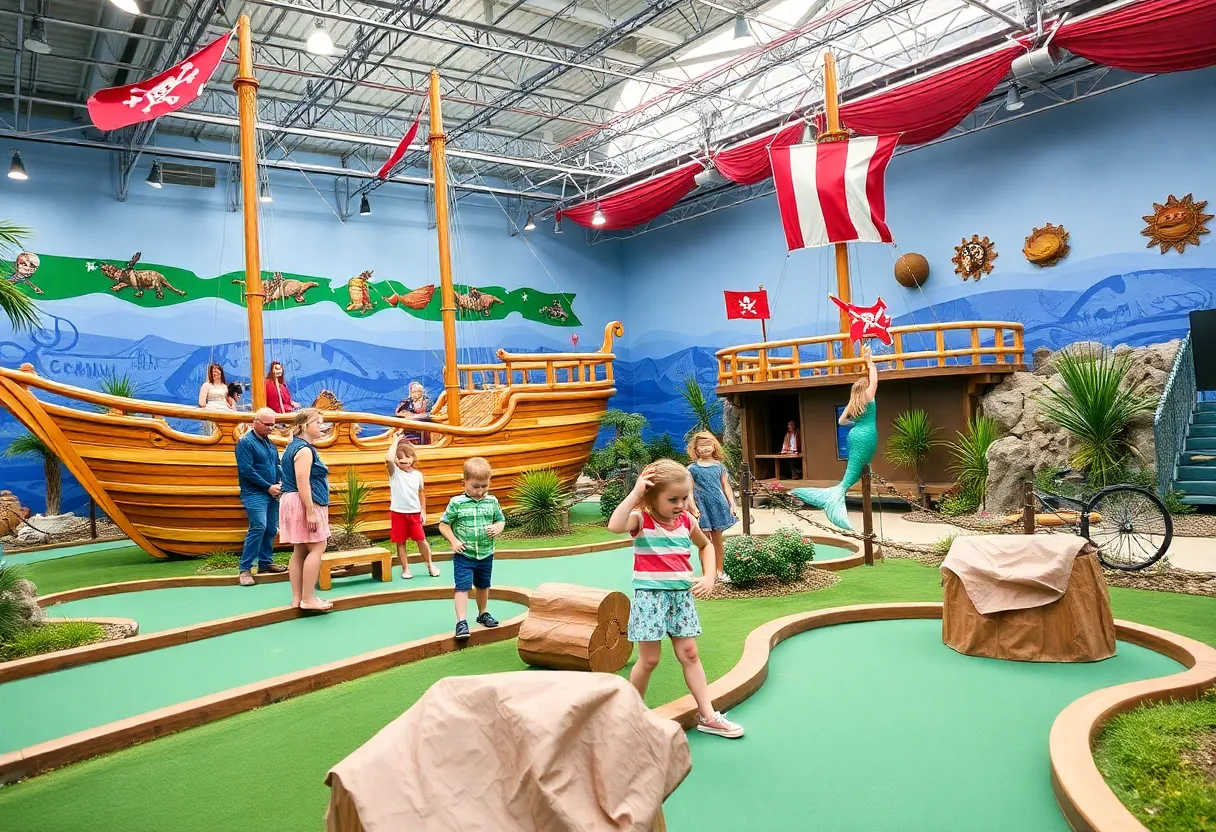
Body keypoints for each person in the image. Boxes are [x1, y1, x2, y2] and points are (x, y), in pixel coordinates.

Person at [606, 459, 744, 739]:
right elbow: (614, 525)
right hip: (650, 598)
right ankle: (630, 714)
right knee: (649, 660)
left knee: (690, 654)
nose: (680, 504)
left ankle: (708, 715)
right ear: (650, 496)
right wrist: (635, 492)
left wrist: (709, 576)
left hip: (680, 598)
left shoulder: (687, 521)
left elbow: (705, 546)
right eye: (672, 499)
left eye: (684, 497)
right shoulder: (641, 520)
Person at [790, 345, 879, 530]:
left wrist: (855, 425)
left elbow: (841, 421)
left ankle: (839, 491)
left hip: (854, 435)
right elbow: (875, 382)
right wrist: (870, 362)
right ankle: (837, 495)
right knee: (860, 467)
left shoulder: (853, 402)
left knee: (855, 465)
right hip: (867, 435)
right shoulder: (868, 396)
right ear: (864, 388)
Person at [438, 457, 505, 640]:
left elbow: (500, 520)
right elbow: (444, 525)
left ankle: (483, 613)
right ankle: (461, 622)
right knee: (462, 587)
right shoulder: (457, 502)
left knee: (483, 585)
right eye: (476, 486)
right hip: (464, 554)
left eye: (484, 486)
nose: (480, 491)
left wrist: (497, 527)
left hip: (486, 553)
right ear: (464, 482)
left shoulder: (491, 501)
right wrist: (453, 541)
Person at [279, 408, 333, 611]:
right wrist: (310, 511)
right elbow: (303, 481)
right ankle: (308, 598)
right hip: (304, 502)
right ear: (304, 426)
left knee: (300, 548)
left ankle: (297, 597)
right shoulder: (304, 450)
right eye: (318, 422)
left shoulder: (293, 447)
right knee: (318, 546)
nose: (322, 426)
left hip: (292, 500)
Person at [234, 408, 288, 586]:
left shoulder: (269, 443)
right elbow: (246, 470)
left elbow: (276, 464)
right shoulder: (245, 443)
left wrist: (282, 482)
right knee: (258, 527)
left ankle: (265, 563)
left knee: (271, 529)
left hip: (272, 491)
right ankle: (245, 569)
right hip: (255, 493)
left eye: (273, 424)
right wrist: (268, 486)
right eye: (267, 424)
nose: (271, 428)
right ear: (255, 422)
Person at [386, 431, 440, 579]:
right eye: (400, 458)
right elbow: (388, 459)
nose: (404, 460)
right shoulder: (394, 473)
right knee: (400, 542)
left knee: (421, 540)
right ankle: (405, 569)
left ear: (413, 458)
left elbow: (421, 493)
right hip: (398, 513)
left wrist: (423, 511)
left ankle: (430, 564)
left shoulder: (418, 475)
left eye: (407, 457)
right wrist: (395, 441)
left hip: (414, 513)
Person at [686, 431, 738, 583]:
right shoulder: (692, 469)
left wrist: (732, 503)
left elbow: (726, 486)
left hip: (718, 505)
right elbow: (689, 490)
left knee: (717, 540)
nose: (705, 448)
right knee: (704, 541)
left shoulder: (719, 467)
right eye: (701, 445)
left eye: (709, 444)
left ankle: (720, 572)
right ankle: (707, 574)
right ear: (695, 449)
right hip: (702, 507)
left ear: (714, 446)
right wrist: (693, 507)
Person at [199, 362, 234, 433]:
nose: (216, 373)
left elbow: (230, 402)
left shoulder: (225, 387)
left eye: (218, 371)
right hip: (212, 411)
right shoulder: (206, 385)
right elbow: (202, 403)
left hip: (225, 411)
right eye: (213, 371)